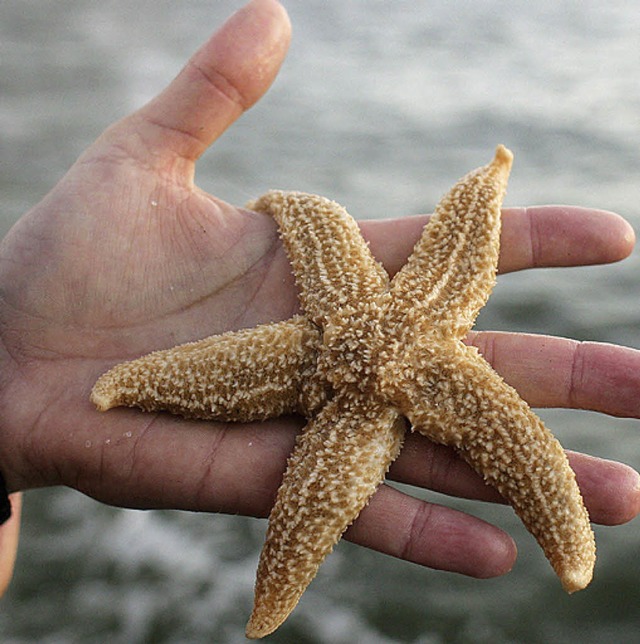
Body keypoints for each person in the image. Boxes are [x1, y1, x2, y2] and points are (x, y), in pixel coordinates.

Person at [0, 0, 638, 596]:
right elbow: (319, 220)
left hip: (355, 394)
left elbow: (398, 226)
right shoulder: (383, 307)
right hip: (350, 388)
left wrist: (15, 370)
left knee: (535, 477)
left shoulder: (384, 304)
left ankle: (569, 551)